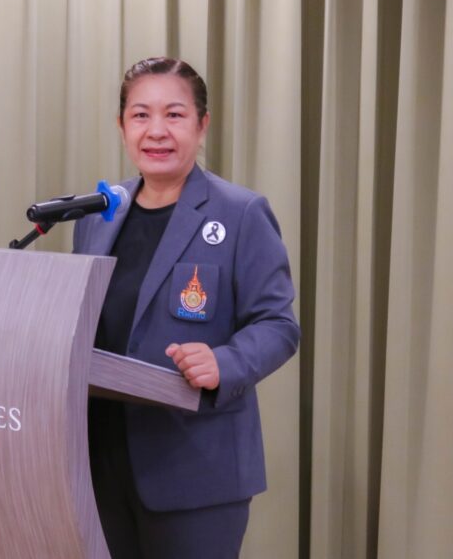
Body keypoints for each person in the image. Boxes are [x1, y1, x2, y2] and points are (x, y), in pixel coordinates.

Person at [73, 57, 300, 558]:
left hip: (195, 471)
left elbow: (279, 324)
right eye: (140, 115)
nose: (156, 131)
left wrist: (225, 362)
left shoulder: (240, 212)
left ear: (202, 125)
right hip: (99, 468)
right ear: (121, 126)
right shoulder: (98, 214)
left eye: (174, 115)